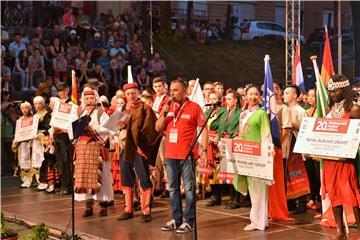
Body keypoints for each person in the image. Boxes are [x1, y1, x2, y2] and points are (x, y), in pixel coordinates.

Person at [156, 79, 208, 233]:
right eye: (171, 90)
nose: (172, 93)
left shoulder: (194, 107)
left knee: (190, 189)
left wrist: (204, 151)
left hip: (187, 155)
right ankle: (176, 219)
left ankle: (189, 221)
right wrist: (164, 111)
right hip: (171, 155)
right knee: (172, 188)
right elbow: (158, 127)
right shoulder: (169, 107)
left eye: (176, 90)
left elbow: (203, 129)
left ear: (185, 92)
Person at [322, 74, 360, 238]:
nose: (332, 95)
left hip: (346, 159)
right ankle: (340, 230)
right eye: (330, 92)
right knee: (334, 193)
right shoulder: (328, 111)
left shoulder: (354, 109)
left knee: (351, 192)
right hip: (330, 159)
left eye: (335, 91)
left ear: (344, 90)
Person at [117, 82, 161, 223]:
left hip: (138, 148)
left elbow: (150, 129)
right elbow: (114, 126)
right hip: (124, 146)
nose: (131, 95)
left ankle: (146, 210)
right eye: (128, 93)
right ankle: (128, 209)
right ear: (124, 95)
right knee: (126, 176)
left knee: (143, 177)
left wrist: (136, 136)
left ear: (138, 93)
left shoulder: (145, 109)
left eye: (133, 93)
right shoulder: (122, 108)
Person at [233, 85, 272, 231]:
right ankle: (256, 220)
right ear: (245, 96)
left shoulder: (261, 113)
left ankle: (260, 222)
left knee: (259, 190)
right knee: (252, 190)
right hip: (246, 156)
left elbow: (266, 135)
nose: (253, 97)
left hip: (258, 156)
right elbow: (242, 133)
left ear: (260, 97)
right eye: (250, 94)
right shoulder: (243, 115)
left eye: (256, 94)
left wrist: (266, 154)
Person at [74, 89, 113, 217]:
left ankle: (103, 205)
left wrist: (93, 129)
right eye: (87, 98)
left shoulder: (101, 112)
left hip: (97, 148)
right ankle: (88, 205)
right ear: (83, 99)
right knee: (84, 177)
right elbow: (71, 127)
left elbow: (108, 128)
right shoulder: (79, 112)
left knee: (102, 176)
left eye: (92, 98)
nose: (89, 101)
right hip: (83, 149)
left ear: (95, 99)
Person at [283, 84, 308, 214]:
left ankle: (302, 202)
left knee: (298, 173)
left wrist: (290, 124)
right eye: (284, 93)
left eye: (287, 93)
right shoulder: (283, 109)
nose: (284, 95)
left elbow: (305, 129)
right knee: (288, 174)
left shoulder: (300, 111)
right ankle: (291, 201)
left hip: (297, 145)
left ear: (295, 95)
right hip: (287, 146)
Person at [217, 89, 243, 209]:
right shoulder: (225, 113)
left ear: (235, 100)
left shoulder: (240, 113)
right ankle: (231, 198)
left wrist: (234, 138)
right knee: (228, 172)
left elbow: (240, 129)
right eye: (226, 99)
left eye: (229, 99)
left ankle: (236, 199)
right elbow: (218, 128)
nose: (227, 101)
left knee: (235, 172)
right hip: (224, 144)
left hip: (234, 143)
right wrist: (219, 140)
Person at [200, 91, 227, 206]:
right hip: (207, 144)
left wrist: (217, 137)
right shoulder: (206, 112)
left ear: (219, 99)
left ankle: (220, 196)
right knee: (210, 171)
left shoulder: (224, 112)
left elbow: (223, 127)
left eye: (214, 98)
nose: (211, 101)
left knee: (218, 172)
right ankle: (214, 196)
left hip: (217, 145)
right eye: (210, 99)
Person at [49, 82, 72, 195]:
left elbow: (72, 120)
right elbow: (52, 121)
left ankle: (68, 186)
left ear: (67, 90)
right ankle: (63, 185)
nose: (61, 93)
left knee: (66, 160)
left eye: (63, 90)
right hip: (56, 134)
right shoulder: (56, 104)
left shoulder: (71, 103)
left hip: (65, 135)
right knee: (59, 161)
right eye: (59, 91)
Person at [304, 89, 321, 212]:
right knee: (312, 176)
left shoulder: (322, 111)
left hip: (319, 148)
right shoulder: (307, 112)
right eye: (309, 96)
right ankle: (314, 198)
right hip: (309, 146)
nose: (310, 98)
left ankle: (320, 203)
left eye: (313, 96)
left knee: (319, 176)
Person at [12, 102, 34, 188]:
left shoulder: (33, 118)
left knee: (31, 161)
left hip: (31, 143)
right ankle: (26, 181)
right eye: (23, 108)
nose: (24, 110)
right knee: (22, 161)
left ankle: (32, 180)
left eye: (26, 108)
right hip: (22, 143)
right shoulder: (20, 120)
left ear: (29, 109)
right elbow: (17, 132)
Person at [32, 96, 51, 191]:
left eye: (39, 103)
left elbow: (49, 128)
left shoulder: (47, 115)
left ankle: (45, 181)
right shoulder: (34, 116)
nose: (38, 105)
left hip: (44, 140)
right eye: (35, 104)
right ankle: (39, 180)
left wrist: (41, 134)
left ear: (43, 104)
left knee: (44, 159)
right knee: (36, 160)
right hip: (35, 141)